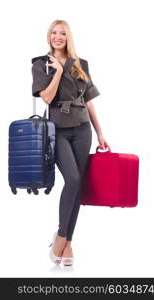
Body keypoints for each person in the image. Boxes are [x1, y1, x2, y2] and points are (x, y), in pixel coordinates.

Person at [32, 19, 110, 267]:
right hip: (59, 131)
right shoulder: (41, 64)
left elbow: (88, 101)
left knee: (78, 185)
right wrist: (57, 72)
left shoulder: (81, 64)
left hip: (83, 129)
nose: (57, 37)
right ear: (49, 36)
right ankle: (62, 235)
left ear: (68, 37)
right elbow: (46, 98)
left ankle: (68, 243)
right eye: (54, 32)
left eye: (62, 33)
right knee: (73, 180)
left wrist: (100, 133)